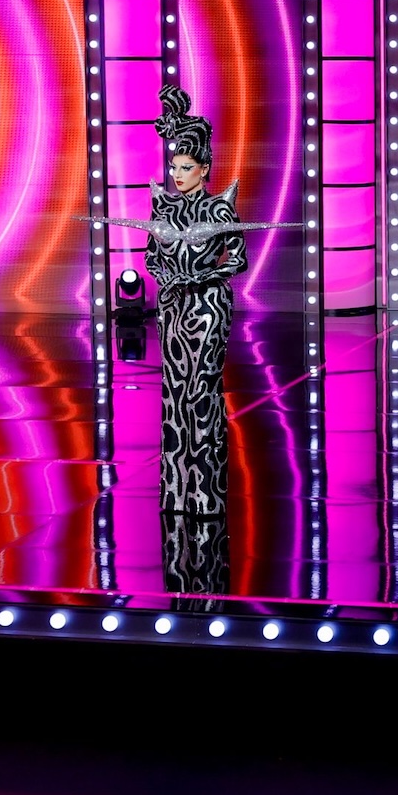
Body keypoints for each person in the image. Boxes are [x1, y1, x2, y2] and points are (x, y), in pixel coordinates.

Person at [146, 85, 248, 518]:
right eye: (173, 166)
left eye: (186, 167)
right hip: (172, 306)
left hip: (208, 307)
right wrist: (165, 274)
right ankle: (174, 488)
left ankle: (206, 489)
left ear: (205, 169)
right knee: (173, 392)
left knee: (202, 389)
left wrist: (205, 274)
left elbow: (239, 258)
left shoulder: (220, 211)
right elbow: (151, 258)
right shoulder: (163, 210)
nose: (177, 174)